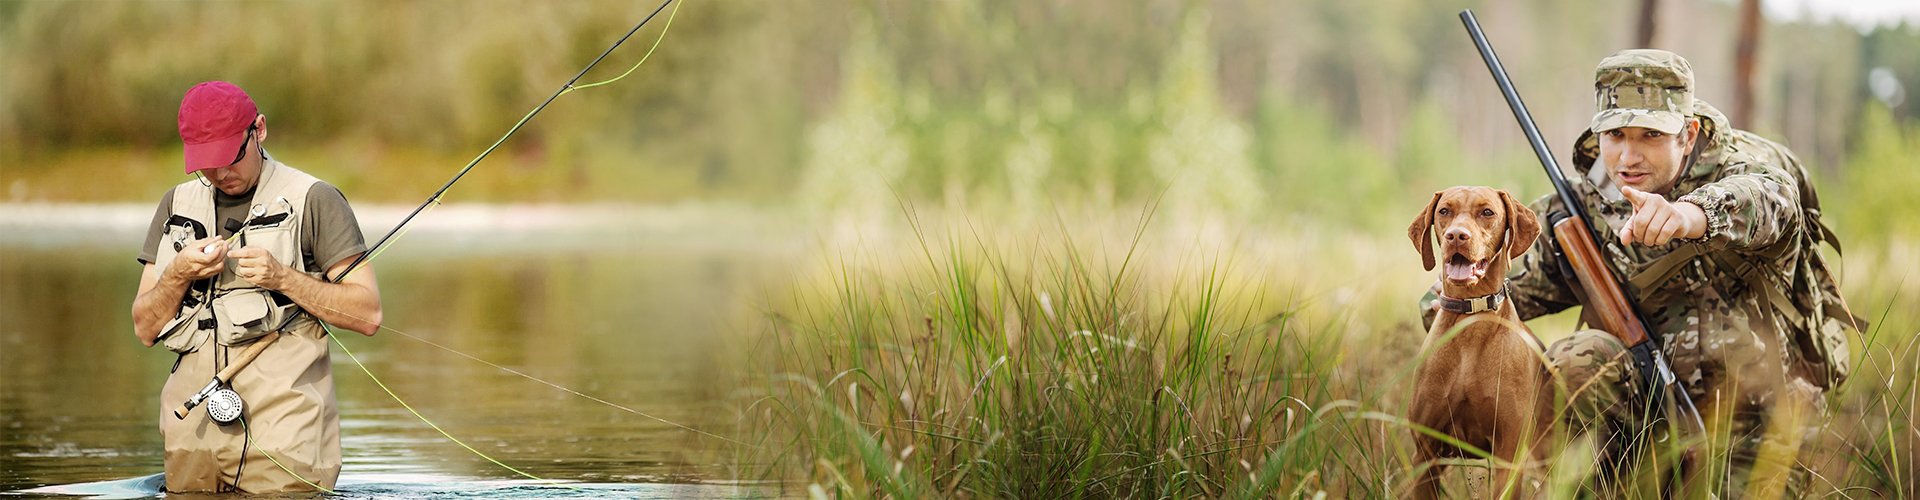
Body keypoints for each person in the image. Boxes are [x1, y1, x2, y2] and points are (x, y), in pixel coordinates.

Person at [1420, 50, 1857, 498]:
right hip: (1645, 417)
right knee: (1578, 358)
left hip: (1757, 423)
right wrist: (1458, 285)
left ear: (1687, 136)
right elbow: (1482, 300)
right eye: (1615, 135)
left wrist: (1691, 215)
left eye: (1651, 135)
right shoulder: (1581, 209)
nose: (1629, 156)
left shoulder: (1742, 171)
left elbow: (1771, 199)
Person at [130, 81, 383, 493]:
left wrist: (283, 277)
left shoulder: (315, 199)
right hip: (190, 434)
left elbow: (368, 314)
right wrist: (177, 272)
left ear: (259, 130)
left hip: (286, 441)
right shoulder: (174, 205)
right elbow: (144, 329)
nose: (221, 174)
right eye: (206, 164)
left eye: (230, 158)